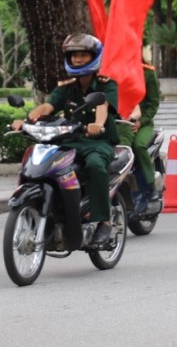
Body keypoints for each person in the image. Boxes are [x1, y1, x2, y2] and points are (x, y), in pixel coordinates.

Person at [12, 34, 120, 247]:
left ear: (94, 57)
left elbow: (102, 106)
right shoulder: (66, 87)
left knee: (95, 166)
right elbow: (48, 107)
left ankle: (103, 222)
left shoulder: (106, 84)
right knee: (48, 165)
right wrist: (26, 120)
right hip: (70, 141)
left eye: (83, 55)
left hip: (97, 143)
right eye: (74, 56)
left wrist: (97, 125)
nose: (78, 59)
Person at [118, 56, 160, 216]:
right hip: (118, 122)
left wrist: (140, 121)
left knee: (138, 146)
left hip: (141, 123)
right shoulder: (112, 72)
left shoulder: (147, 73)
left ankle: (151, 187)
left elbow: (153, 103)